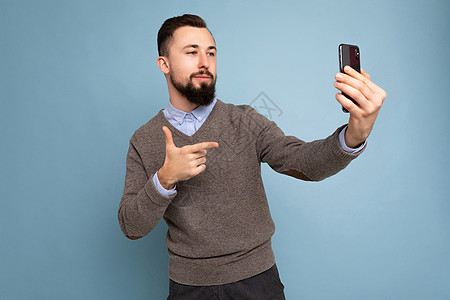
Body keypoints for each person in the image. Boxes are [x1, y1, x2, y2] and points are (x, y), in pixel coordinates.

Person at [118, 14, 386, 300]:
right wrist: (165, 178)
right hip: (188, 288)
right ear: (164, 64)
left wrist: (354, 135)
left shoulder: (246, 121)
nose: (204, 62)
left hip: (258, 284)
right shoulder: (144, 140)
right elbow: (131, 226)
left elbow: (304, 162)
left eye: (211, 52)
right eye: (192, 52)